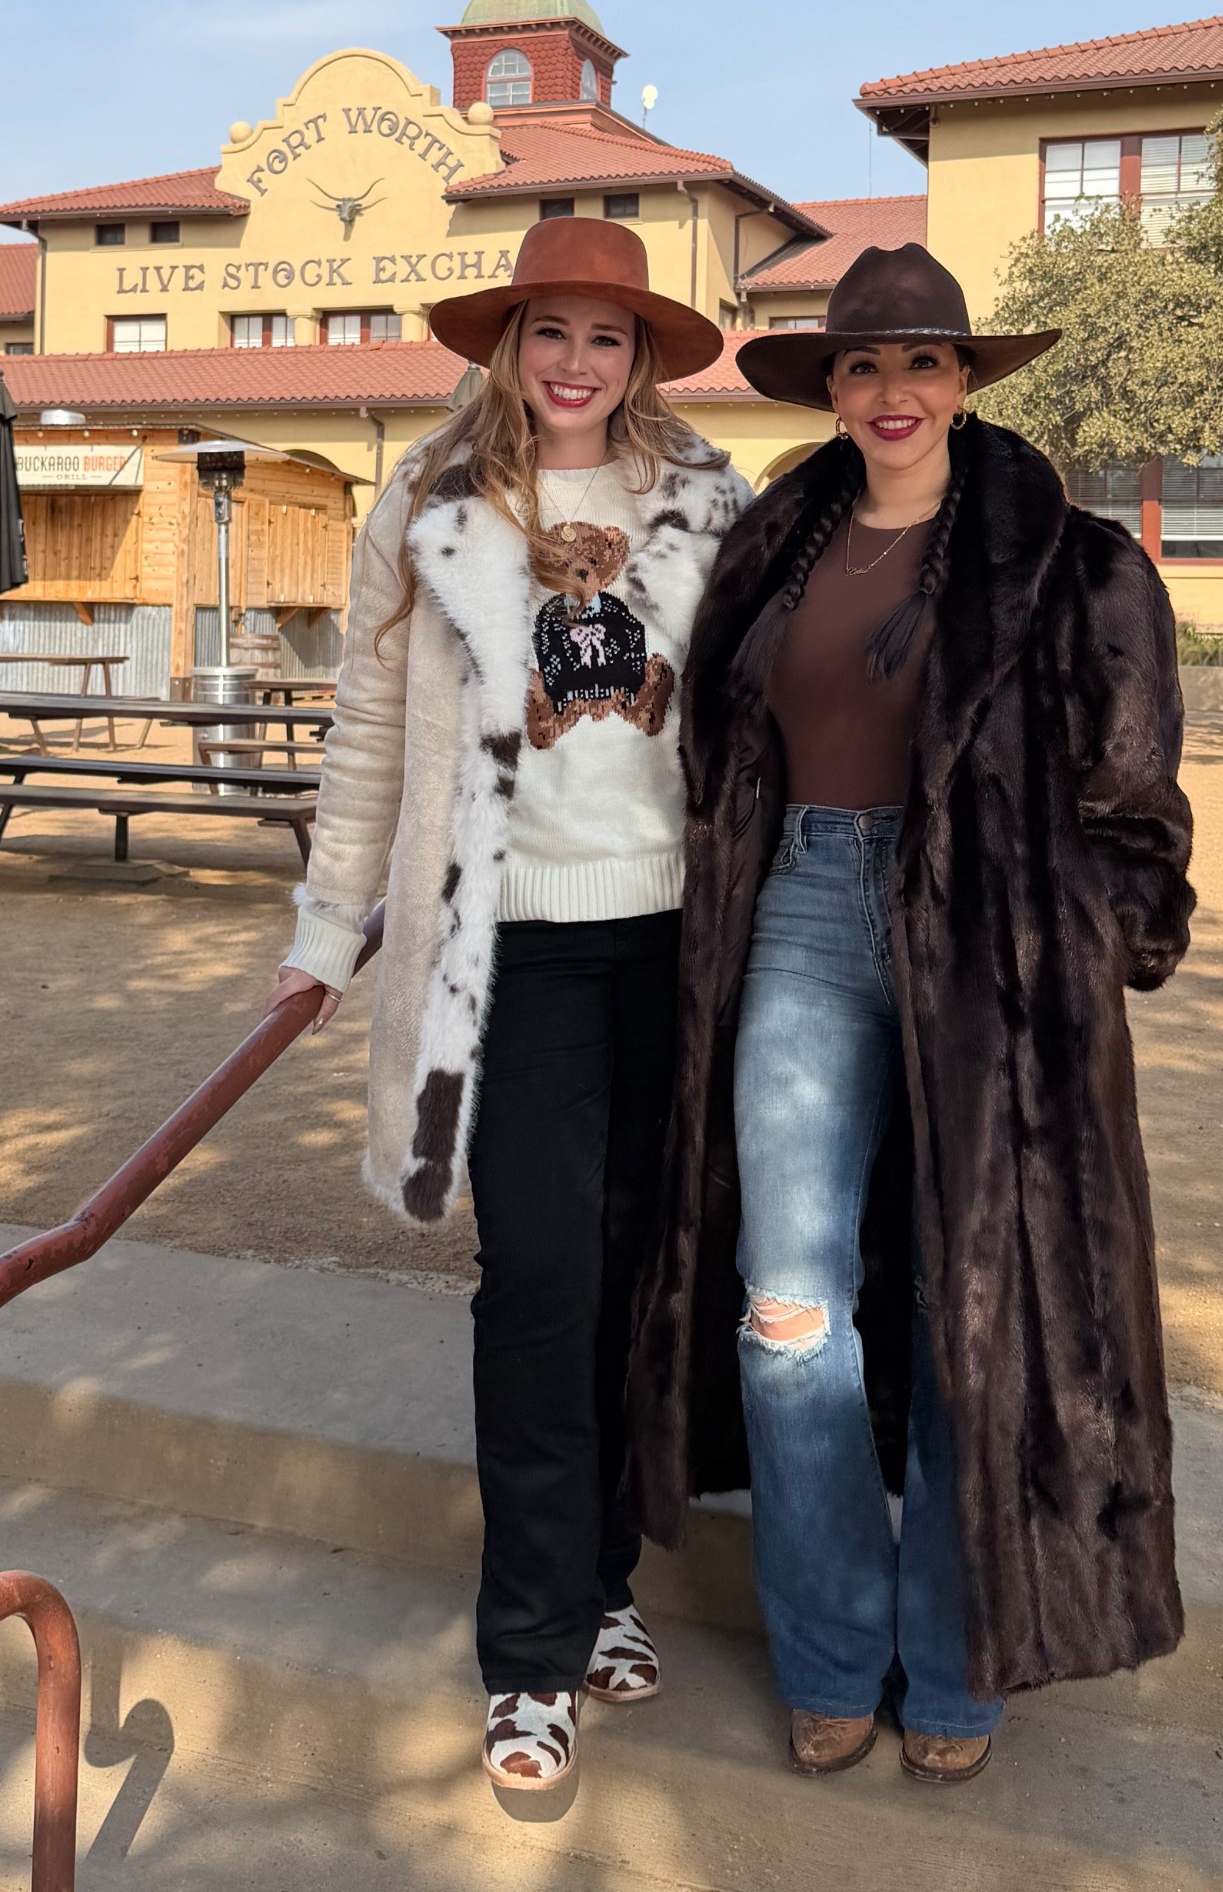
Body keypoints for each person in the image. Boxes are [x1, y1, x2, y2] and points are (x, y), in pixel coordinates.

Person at [627, 243, 1195, 1784]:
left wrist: (1098, 944)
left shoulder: (1075, 566)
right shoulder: (767, 553)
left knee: (975, 1305)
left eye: (923, 365)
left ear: (965, 383)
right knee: (789, 1315)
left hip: (993, 945)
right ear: (830, 390)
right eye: (864, 368)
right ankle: (832, 1646)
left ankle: (954, 1664)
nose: (893, 393)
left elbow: (1136, 792)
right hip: (804, 911)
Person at [265, 217, 750, 1791]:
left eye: (606, 337)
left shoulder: (705, 503)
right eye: (549, 330)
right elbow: (365, 729)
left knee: (637, 1275)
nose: (574, 363)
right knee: (540, 1280)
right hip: (515, 948)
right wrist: (329, 928)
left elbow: (763, 720)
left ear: (643, 356)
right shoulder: (429, 501)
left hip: (676, 945)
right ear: (506, 341)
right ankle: (531, 1650)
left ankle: (605, 1579)